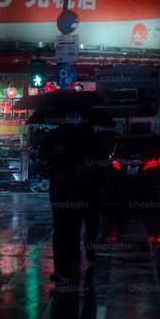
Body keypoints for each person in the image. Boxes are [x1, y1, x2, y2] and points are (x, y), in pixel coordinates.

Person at [40, 120, 107, 284]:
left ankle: (84, 251)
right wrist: (55, 152)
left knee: (88, 225)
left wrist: (102, 186)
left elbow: (101, 163)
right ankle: (63, 268)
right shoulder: (55, 136)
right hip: (63, 190)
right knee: (65, 230)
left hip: (87, 191)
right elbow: (43, 155)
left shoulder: (90, 137)